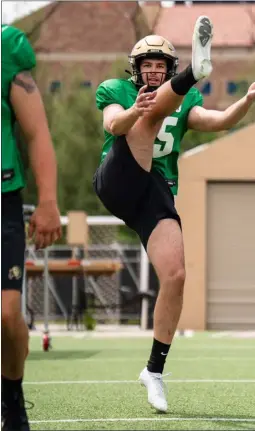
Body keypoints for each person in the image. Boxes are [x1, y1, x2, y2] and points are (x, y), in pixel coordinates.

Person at [94, 16, 255, 412]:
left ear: (168, 70)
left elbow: (216, 122)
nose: (152, 70)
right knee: (146, 118)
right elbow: (114, 123)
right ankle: (200, 70)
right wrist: (134, 111)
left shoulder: (185, 104)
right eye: (147, 65)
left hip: (154, 191)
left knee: (176, 276)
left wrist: (244, 102)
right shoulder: (117, 90)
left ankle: (154, 371)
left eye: (160, 66)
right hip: (119, 176)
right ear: (135, 69)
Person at [1, 24, 62, 430]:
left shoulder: (6, 47)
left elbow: (37, 132)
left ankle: (12, 401)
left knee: (6, 314)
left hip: (3, 197)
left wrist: (48, 200)